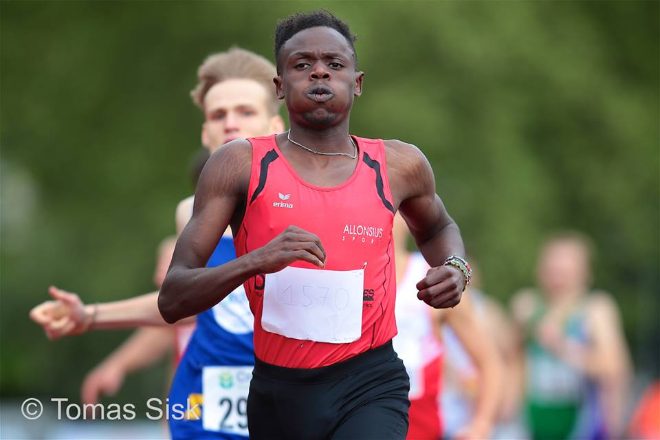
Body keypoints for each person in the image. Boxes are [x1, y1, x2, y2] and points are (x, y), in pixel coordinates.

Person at [158, 10, 469, 440]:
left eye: (334, 64)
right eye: (302, 65)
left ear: (356, 83)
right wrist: (255, 260)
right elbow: (173, 298)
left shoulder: (399, 165)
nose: (319, 71)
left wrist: (456, 268)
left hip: (370, 381)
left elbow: (438, 229)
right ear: (280, 87)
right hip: (279, 392)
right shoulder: (238, 165)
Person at [30, 47, 285, 439]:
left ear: (275, 125)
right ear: (206, 132)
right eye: (219, 115)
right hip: (205, 401)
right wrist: (91, 315)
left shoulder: (309, 207)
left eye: (245, 112)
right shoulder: (191, 214)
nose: (231, 124)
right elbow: (180, 307)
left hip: (289, 399)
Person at [510, 232, 631, 439]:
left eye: (564, 271)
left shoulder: (596, 309)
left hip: (582, 423)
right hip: (532, 423)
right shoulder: (528, 306)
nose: (556, 277)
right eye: (552, 269)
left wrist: (562, 345)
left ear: (584, 273)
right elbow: (509, 362)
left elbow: (615, 369)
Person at [391, 214, 501, 440]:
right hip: (359, 418)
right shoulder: (350, 276)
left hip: (420, 426)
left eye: (393, 211)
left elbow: (490, 363)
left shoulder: (431, 277)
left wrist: (481, 426)